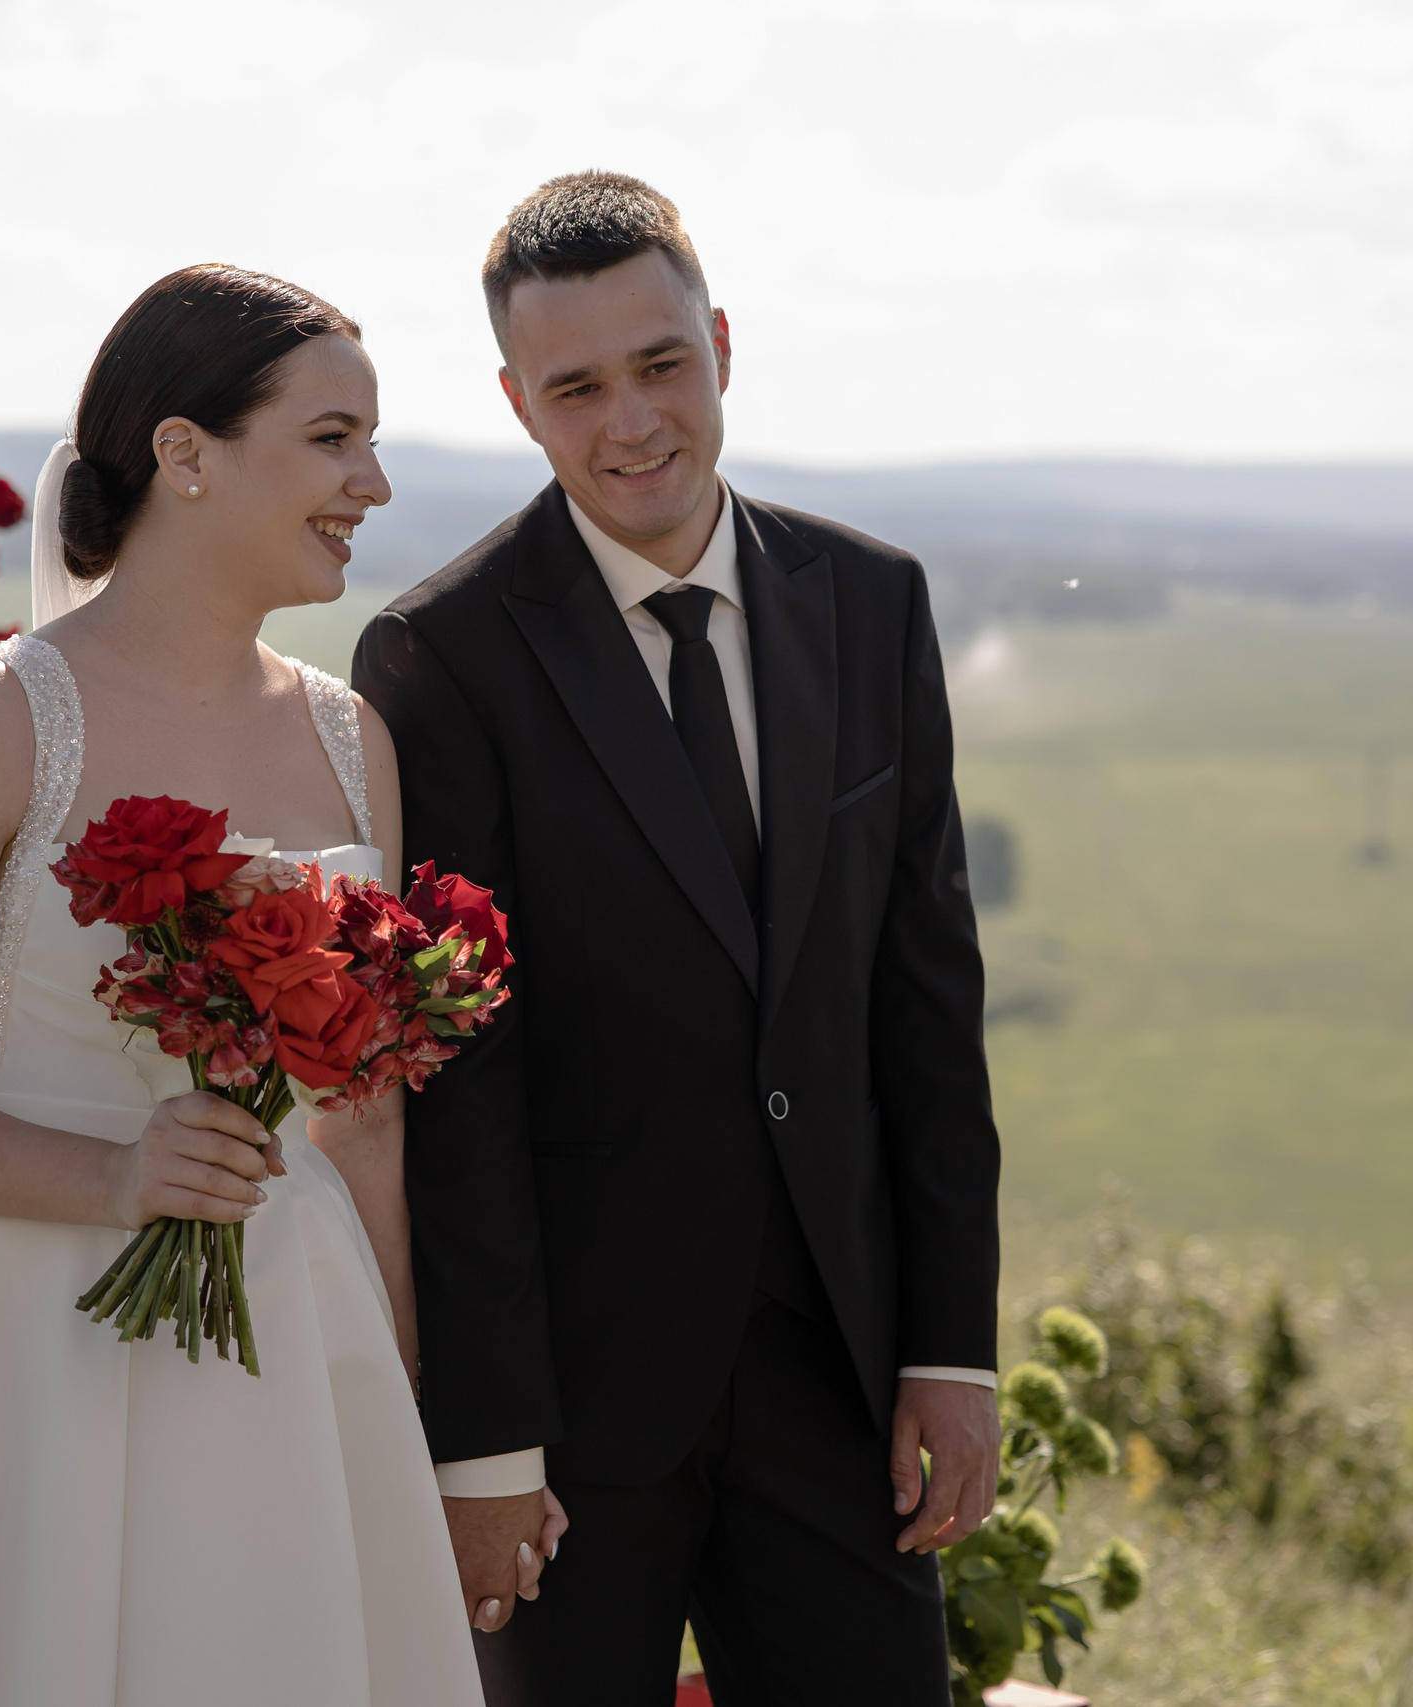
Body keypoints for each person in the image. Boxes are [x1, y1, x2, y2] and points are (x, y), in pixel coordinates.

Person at [0, 264, 550, 1707]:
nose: (377, 482)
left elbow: (367, 1122)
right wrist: (116, 1178)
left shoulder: (355, 741)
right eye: (335, 438)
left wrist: (402, 1398)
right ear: (185, 453)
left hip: (294, 1347)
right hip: (9, 1349)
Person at [353, 173, 1005, 1705]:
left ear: (720, 343)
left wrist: (950, 1352)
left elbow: (924, 1005)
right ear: (519, 404)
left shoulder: (872, 602)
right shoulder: (441, 657)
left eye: (661, 366)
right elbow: (462, 1079)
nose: (630, 422)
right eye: (576, 388)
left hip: (838, 1380)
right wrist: (487, 1443)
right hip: (576, 1419)